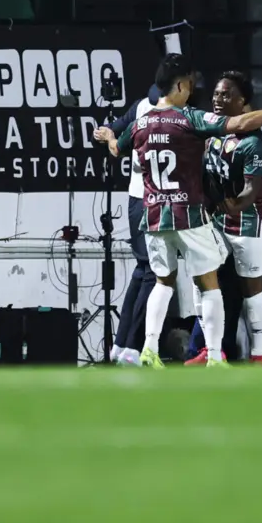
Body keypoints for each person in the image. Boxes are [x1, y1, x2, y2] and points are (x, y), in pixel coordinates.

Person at [98, 54, 262, 368]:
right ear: (180, 85)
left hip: (153, 216)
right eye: (190, 85)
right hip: (188, 215)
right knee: (209, 285)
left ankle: (149, 351)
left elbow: (116, 148)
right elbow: (238, 124)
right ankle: (213, 356)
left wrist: (109, 136)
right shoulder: (189, 118)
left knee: (161, 283)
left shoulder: (140, 123)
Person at [185, 71, 262, 364]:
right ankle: (212, 352)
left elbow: (252, 189)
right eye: (216, 94)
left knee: (252, 292)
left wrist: (234, 204)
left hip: (249, 224)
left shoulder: (254, 143)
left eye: (226, 95)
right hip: (219, 222)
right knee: (204, 282)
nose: (218, 100)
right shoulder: (215, 132)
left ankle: (258, 357)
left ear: (243, 102)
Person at [101, 84, 163, 367]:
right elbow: (115, 145)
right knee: (154, 273)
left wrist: (109, 136)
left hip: (137, 199)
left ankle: (121, 344)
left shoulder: (140, 107)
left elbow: (112, 138)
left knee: (142, 270)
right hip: (155, 201)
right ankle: (133, 348)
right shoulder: (167, 114)